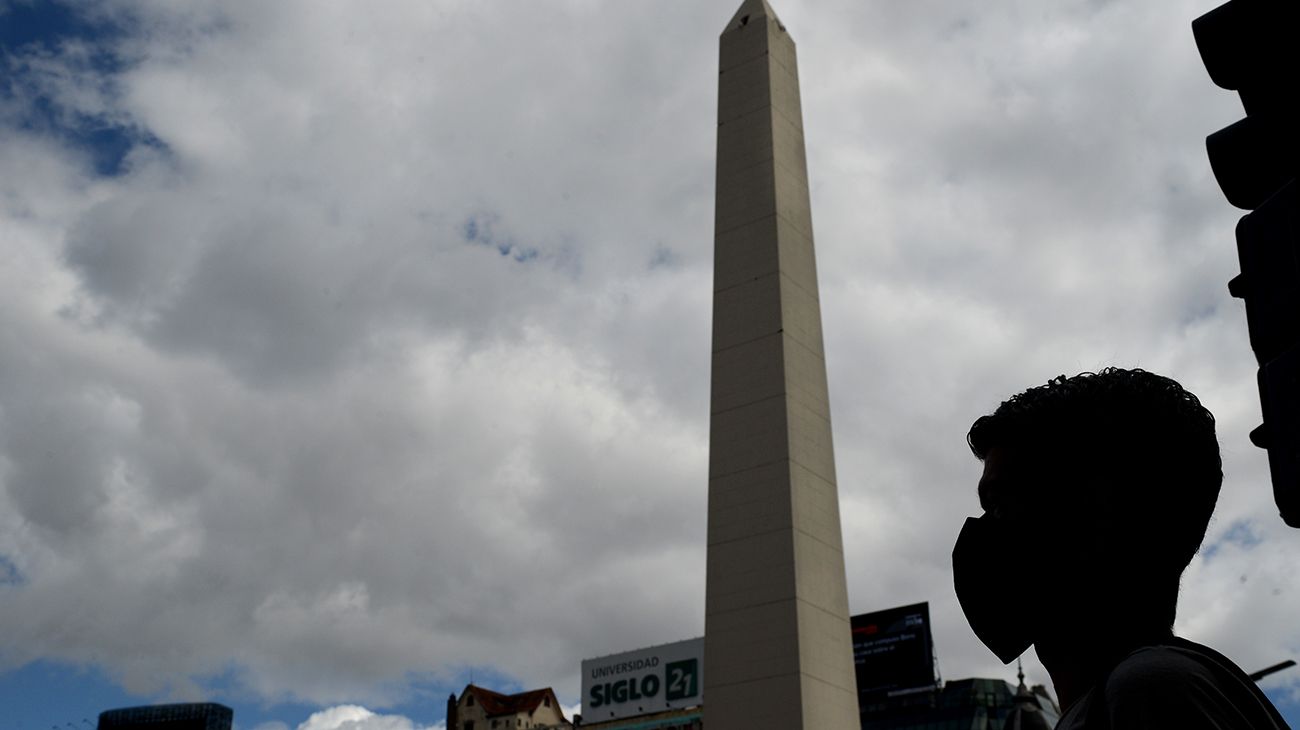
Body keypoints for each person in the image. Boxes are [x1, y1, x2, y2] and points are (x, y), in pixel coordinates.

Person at [951, 368, 1290, 729]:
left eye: (1001, 503)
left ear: (1104, 511)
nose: (983, 530)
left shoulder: (1149, 692)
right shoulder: (1131, 695)